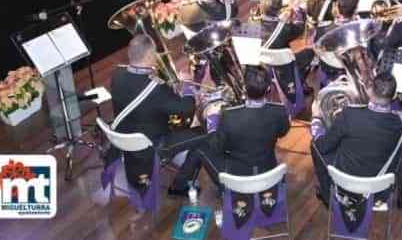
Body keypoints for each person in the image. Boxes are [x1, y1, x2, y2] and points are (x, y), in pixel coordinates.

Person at [109, 34, 208, 197]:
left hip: (124, 135)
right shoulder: (155, 88)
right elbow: (186, 108)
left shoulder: (117, 74)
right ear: (149, 56)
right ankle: (180, 186)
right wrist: (189, 86)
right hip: (152, 143)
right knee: (204, 135)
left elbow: (143, 98)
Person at [311, 71, 402, 208]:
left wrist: (316, 119)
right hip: (379, 189)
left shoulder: (350, 114)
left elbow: (322, 146)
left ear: (370, 92)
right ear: (394, 96)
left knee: (315, 145)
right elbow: (400, 158)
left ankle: (327, 196)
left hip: (345, 184)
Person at [198, 67, 289, 182]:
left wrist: (212, 120)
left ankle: (223, 189)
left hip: (238, 176)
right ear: (269, 88)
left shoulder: (229, 116)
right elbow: (282, 132)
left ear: (245, 88)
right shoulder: (280, 111)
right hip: (268, 169)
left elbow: (217, 146)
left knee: (203, 148)